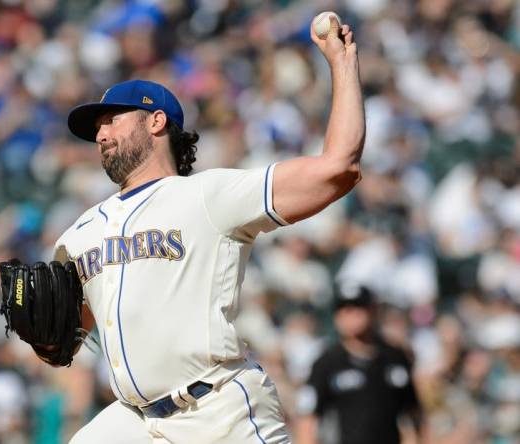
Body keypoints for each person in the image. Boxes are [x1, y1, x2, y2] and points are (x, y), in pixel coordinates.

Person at [44, 15, 365, 444]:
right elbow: (62, 346)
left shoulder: (207, 196)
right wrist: (44, 340)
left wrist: (342, 64)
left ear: (154, 121)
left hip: (217, 410)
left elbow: (338, 169)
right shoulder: (78, 234)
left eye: (111, 119)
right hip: (135, 422)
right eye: (97, 127)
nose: (100, 134)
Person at [294, 286, 422, 444]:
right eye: (344, 309)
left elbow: (413, 414)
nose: (351, 314)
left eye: (357, 307)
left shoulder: (394, 357)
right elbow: (307, 420)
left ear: (373, 311)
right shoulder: (327, 363)